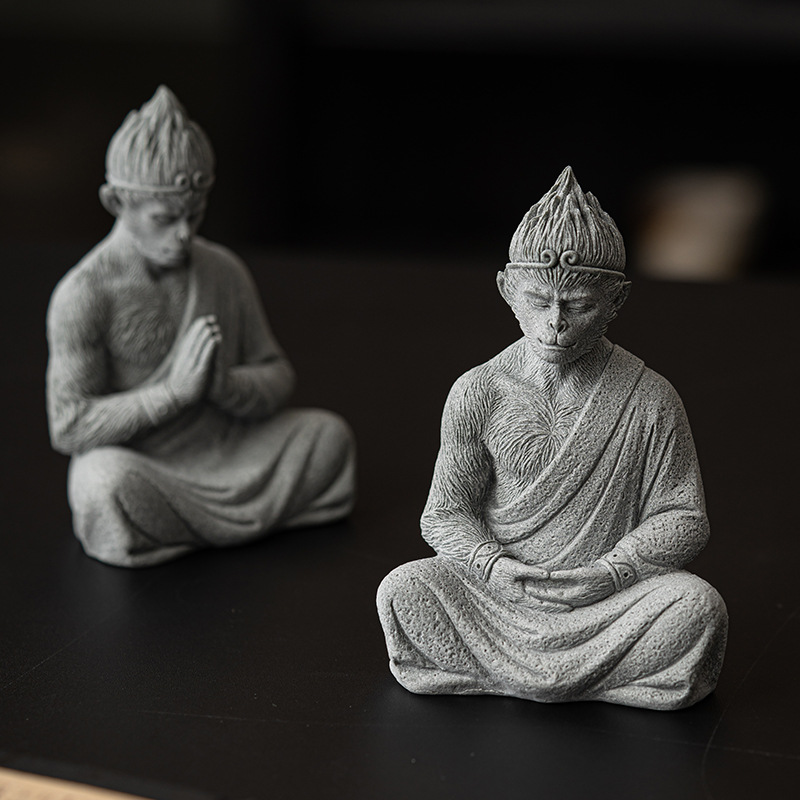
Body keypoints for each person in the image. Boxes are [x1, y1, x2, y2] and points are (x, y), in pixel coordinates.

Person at [377, 167, 727, 710]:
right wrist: (493, 566)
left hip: (605, 600)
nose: (556, 322)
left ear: (616, 301)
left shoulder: (650, 397)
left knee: (697, 607)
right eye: (540, 301)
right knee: (404, 590)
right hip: (500, 595)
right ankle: (592, 676)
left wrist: (614, 571)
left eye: (579, 304)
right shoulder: (479, 390)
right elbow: (444, 513)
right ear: (507, 291)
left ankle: (519, 671)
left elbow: (683, 517)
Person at [46, 86, 355, 567]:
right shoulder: (85, 293)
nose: (184, 233)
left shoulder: (223, 271)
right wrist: (173, 394)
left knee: (327, 435)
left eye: (195, 215)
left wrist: (223, 386)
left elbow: (276, 374)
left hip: (230, 448)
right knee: (102, 483)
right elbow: (69, 425)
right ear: (116, 202)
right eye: (165, 218)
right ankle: (168, 523)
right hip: (143, 461)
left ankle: (184, 527)